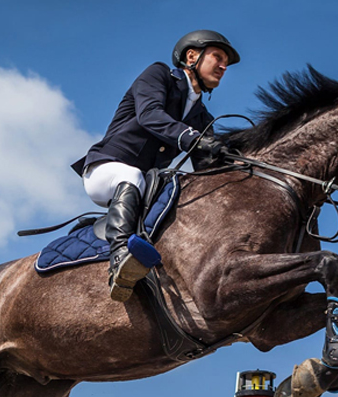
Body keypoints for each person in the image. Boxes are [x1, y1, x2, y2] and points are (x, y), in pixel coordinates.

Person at [71, 30, 240, 302]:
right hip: (106, 169)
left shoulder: (202, 116)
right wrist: (192, 138)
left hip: (146, 184)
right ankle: (120, 258)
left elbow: (206, 169)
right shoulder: (158, 74)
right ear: (192, 56)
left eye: (226, 64)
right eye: (218, 57)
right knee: (132, 175)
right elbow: (150, 115)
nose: (223, 66)